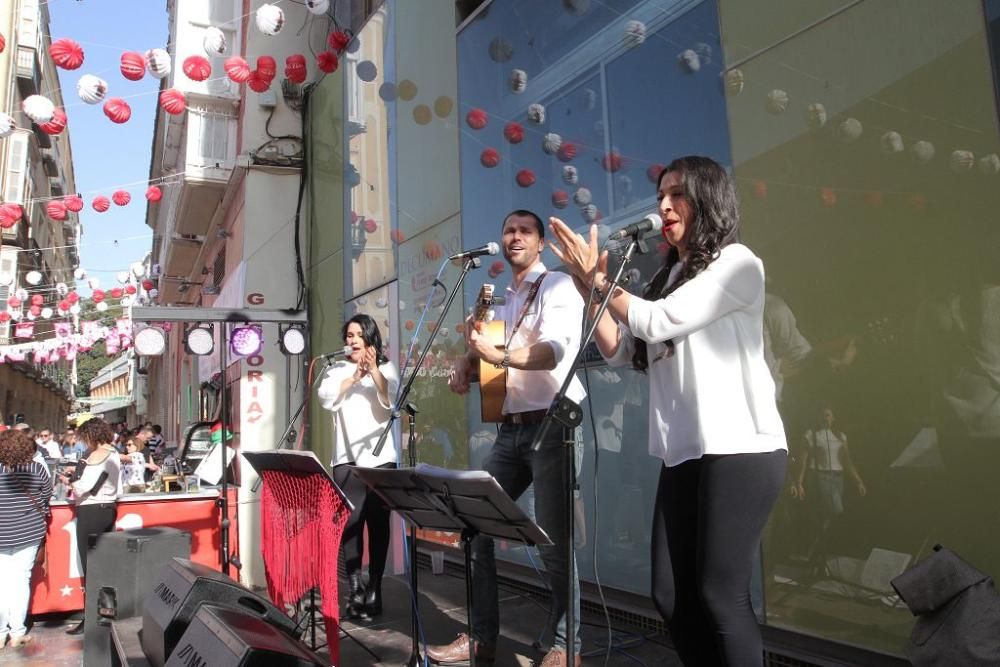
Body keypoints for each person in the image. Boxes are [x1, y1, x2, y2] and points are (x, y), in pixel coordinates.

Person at [549, 156, 787, 666]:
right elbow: (622, 350)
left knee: (722, 595)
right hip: (685, 451)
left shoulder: (738, 263)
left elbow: (659, 322)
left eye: (677, 194)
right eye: (661, 195)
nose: (663, 206)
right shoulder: (672, 273)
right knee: (670, 593)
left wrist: (600, 284)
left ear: (708, 199)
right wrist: (588, 290)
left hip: (740, 447)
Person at [427, 209, 586, 667]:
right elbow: (494, 361)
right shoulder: (502, 301)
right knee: (474, 525)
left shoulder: (556, 286)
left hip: (554, 425)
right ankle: (481, 638)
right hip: (511, 431)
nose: (514, 237)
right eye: (508, 230)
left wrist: (495, 353)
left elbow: (553, 351)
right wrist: (467, 366)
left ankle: (566, 646)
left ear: (539, 243)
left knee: (555, 542)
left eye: (525, 231)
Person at [316, 313, 400, 621]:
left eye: (357, 335)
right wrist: (352, 377)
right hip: (347, 459)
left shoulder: (387, 367)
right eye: (348, 335)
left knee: (378, 524)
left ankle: (375, 588)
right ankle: (355, 589)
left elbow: (391, 397)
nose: (351, 340)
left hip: (380, 459)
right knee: (350, 525)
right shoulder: (336, 369)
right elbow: (325, 398)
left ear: (369, 337)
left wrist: (373, 370)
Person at [57, 417, 122, 635]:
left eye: (85, 438)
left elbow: (82, 489)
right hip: (108, 509)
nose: (84, 443)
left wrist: (69, 480)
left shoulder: (95, 455)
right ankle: (108, 615)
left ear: (91, 435)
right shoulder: (114, 453)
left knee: (91, 566)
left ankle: (92, 619)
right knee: (105, 566)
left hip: (91, 511)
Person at [0, 429, 52, 649]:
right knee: (21, 580)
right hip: (28, 532)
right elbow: (47, 494)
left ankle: (0, 632)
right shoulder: (37, 468)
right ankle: (17, 632)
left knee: (2, 583)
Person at [793, 406, 866, 515]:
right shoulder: (811, 434)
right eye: (822, 415)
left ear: (833, 418)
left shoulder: (841, 436)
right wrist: (799, 482)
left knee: (826, 513)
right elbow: (802, 460)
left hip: (838, 479)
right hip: (820, 477)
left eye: (827, 415)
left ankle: (825, 529)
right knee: (836, 510)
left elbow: (848, 461)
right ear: (818, 418)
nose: (825, 418)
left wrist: (858, 481)